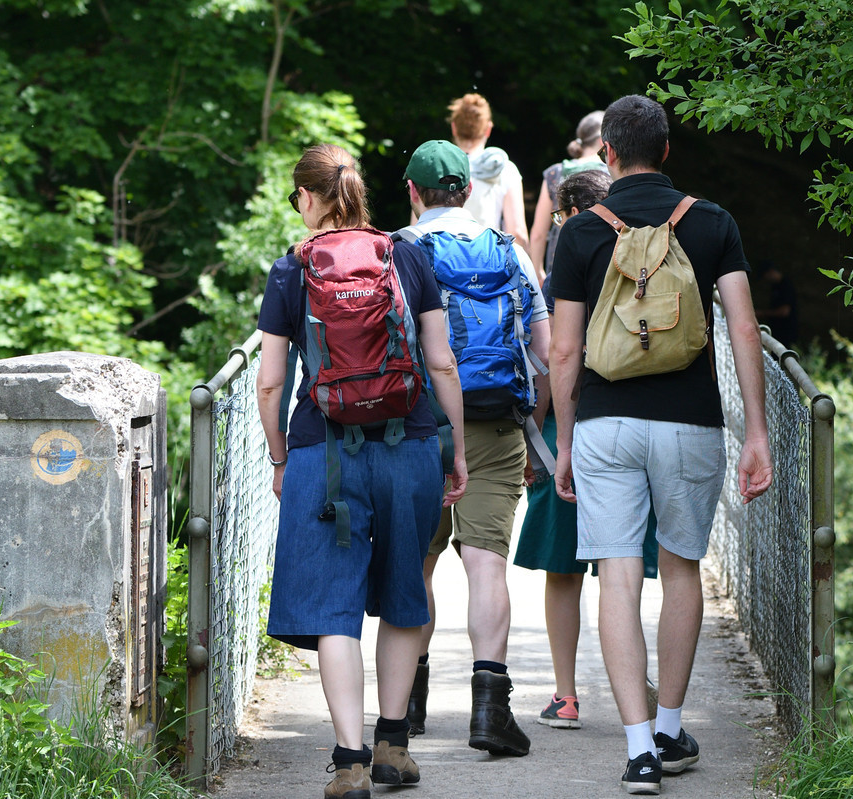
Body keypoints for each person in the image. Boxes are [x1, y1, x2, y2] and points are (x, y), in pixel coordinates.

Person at [548, 95, 773, 795]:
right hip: (690, 422)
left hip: (605, 423)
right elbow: (743, 329)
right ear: (667, 150)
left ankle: (639, 748)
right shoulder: (711, 222)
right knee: (680, 571)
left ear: (607, 153)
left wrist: (563, 442)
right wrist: (757, 431)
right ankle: (672, 726)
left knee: (616, 576)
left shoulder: (581, 232)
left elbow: (563, 351)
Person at [255, 143, 468, 799]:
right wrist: (455, 450)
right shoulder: (406, 255)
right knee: (404, 592)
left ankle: (348, 761)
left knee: (333, 608)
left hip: (322, 451)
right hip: (409, 445)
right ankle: (392, 747)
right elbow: (441, 362)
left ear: (306, 197)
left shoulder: (291, 270)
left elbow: (269, 383)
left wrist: (280, 458)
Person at [399, 139, 550, 757]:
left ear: (413, 192)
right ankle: (490, 713)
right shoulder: (508, 251)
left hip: (415, 429)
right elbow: (544, 351)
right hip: (494, 424)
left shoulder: (397, 251)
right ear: (467, 190)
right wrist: (533, 428)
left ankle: (406, 706)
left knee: (417, 563)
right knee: (486, 563)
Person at [515, 169, 660, 732]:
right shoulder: (650, 256)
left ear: (572, 214)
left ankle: (566, 696)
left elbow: (558, 355)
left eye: (557, 216)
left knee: (563, 570)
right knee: (623, 570)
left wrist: (539, 438)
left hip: (573, 428)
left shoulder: (570, 259)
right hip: (639, 422)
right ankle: (638, 691)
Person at [526, 111, 609, 279]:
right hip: (601, 265)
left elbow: (538, 233)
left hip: (559, 263)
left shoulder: (554, 172)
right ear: (603, 141)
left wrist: (538, 272)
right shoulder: (610, 172)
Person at [448, 93, 530, 246]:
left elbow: (417, 226)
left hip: (443, 256)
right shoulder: (505, 169)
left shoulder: (438, 168)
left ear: (454, 127)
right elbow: (517, 232)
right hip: (487, 255)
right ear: (488, 129)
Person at [753, 258, 800, 345]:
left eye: (765, 275)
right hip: (778, 331)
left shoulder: (786, 285)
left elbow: (784, 311)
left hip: (786, 333)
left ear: (770, 272)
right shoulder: (775, 286)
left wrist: (762, 313)